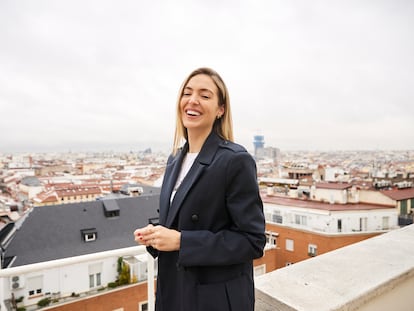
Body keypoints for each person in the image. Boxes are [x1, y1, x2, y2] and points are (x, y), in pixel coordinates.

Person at [134, 67, 266, 311]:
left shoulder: (234, 160)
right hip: (174, 292)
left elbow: (253, 241)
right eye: (187, 93)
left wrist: (183, 241)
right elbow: (179, 222)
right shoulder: (175, 159)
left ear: (220, 110)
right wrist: (156, 236)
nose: (192, 100)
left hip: (213, 300)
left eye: (205, 95)